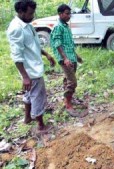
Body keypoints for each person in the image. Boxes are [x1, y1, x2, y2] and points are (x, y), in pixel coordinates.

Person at [6, 0, 56, 133]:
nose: (32, 16)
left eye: (33, 12)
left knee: (29, 94)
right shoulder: (16, 29)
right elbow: (16, 55)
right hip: (31, 71)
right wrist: (25, 76)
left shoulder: (26, 24)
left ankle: (27, 118)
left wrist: (46, 54)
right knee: (37, 96)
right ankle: (40, 126)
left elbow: (33, 45)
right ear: (20, 12)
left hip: (32, 67)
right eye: (30, 13)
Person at [50, 4, 83, 117]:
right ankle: (68, 104)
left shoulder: (65, 26)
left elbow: (69, 44)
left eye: (70, 13)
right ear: (60, 14)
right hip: (65, 59)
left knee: (68, 79)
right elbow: (58, 44)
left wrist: (76, 56)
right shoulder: (58, 27)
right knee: (72, 82)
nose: (69, 16)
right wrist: (65, 58)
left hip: (71, 57)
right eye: (67, 13)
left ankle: (68, 99)